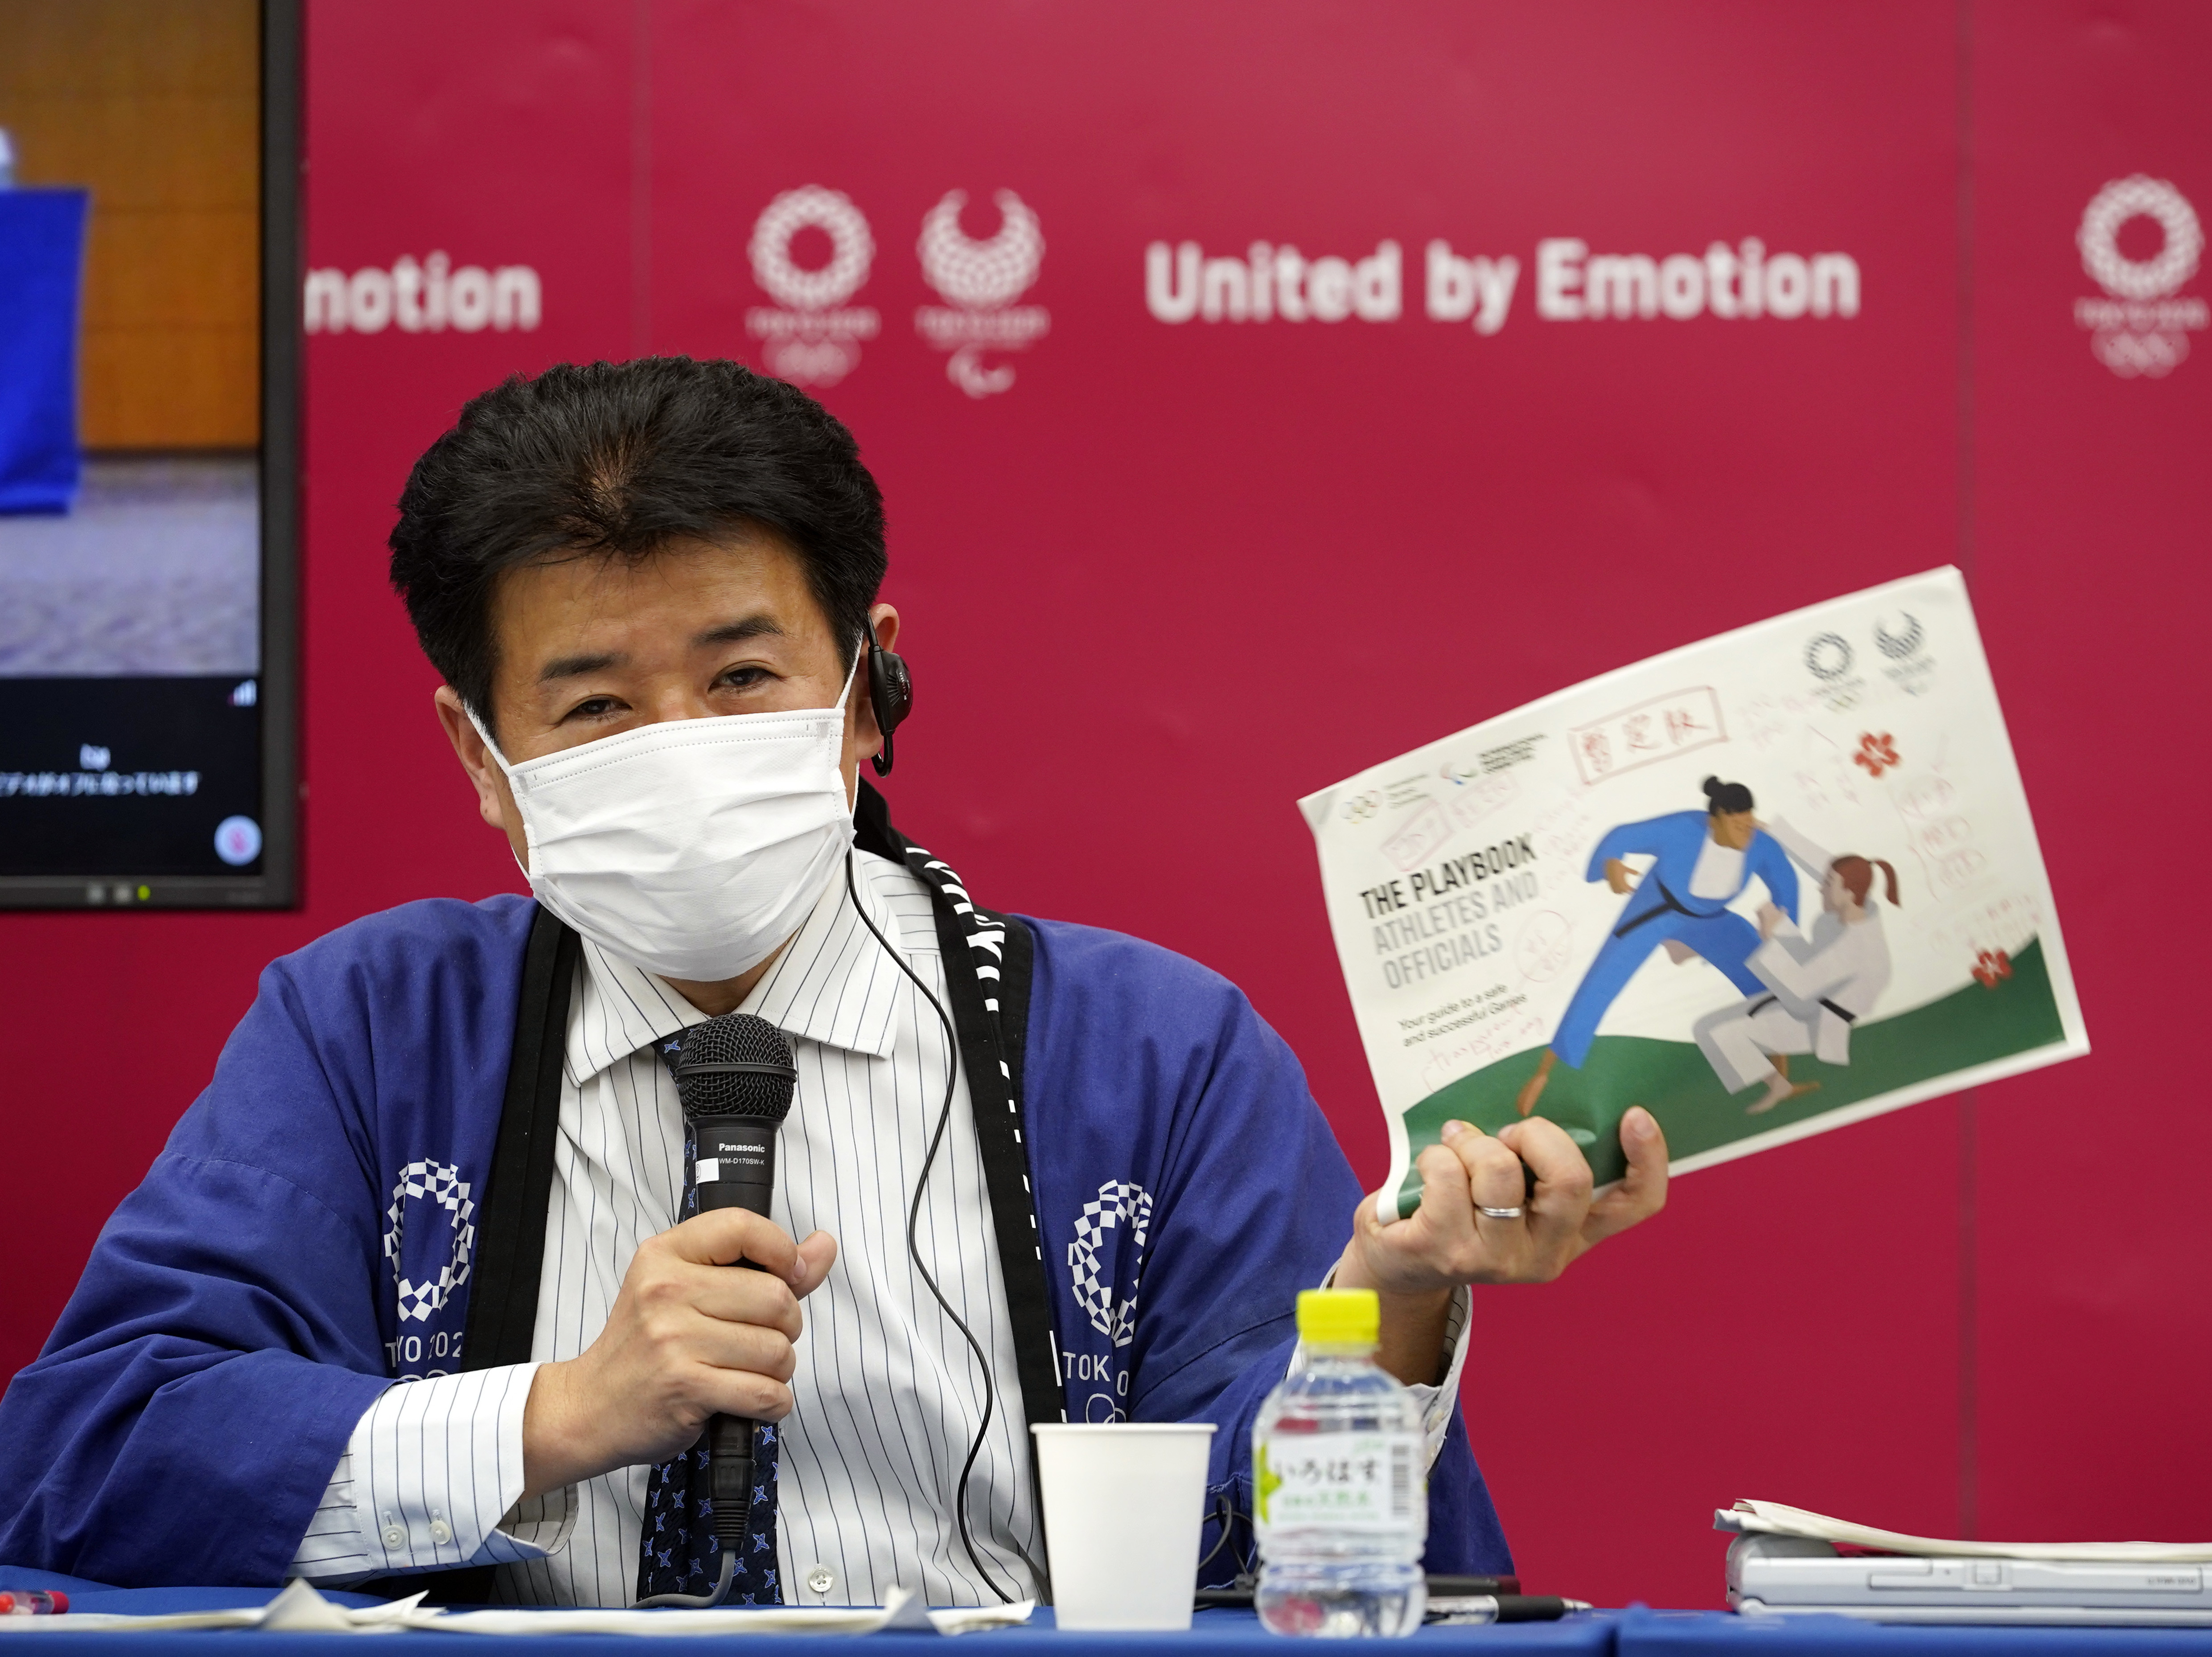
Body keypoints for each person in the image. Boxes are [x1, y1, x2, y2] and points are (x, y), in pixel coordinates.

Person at [0, 359, 1669, 1604]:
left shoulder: (1152, 1053)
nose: (683, 753)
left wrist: (1390, 1301)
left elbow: (1271, 1547)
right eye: (593, 710)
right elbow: (97, 1448)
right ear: (483, 755)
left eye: (743, 677)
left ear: (865, 692)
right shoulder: (369, 1032)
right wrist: (554, 1414)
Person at [1517, 777, 1800, 1115]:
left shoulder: (1761, 845)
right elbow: (1620, 837)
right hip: (1658, 908)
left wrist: (1783, 927)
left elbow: (1786, 883)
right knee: (1602, 981)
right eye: (1737, 826)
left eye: (1749, 825)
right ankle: (1543, 1074)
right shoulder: (1682, 827)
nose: (1746, 835)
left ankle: (1781, 1081)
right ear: (1715, 819)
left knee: (1765, 979)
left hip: (1712, 919)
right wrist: (1611, 865)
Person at [1694, 820, 1900, 1115]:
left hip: (1820, 1021)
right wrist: (1775, 831)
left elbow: (1801, 990)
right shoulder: (1853, 910)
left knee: (1723, 1034)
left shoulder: (1857, 942)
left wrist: (1770, 939)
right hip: (1814, 1000)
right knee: (1705, 1028)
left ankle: (1779, 1089)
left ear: (1850, 894)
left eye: (1828, 884)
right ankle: (1780, 1086)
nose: (1821, 886)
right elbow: (1822, 864)